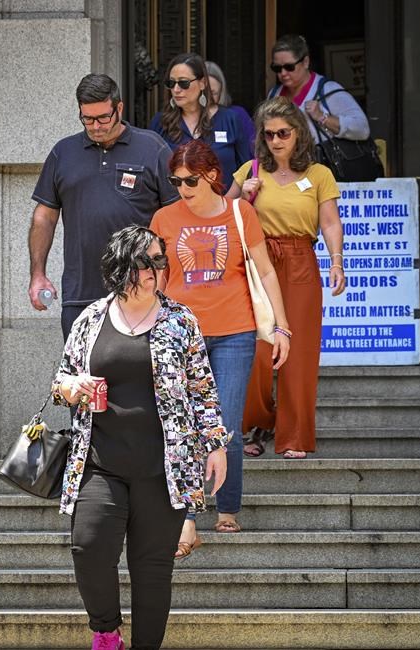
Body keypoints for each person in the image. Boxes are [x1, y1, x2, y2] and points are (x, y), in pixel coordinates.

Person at [51, 225, 229, 650]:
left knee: (152, 570)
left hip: (163, 469)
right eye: (144, 261)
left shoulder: (180, 321)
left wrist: (216, 444)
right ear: (121, 266)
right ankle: (106, 632)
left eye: (159, 260)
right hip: (99, 464)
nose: (154, 269)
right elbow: (61, 381)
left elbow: (202, 389)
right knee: (88, 547)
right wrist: (71, 388)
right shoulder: (91, 318)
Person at [150, 139, 290, 553]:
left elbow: (265, 271)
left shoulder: (240, 213)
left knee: (225, 424)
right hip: (180, 332)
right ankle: (187, 516)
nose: (182, 188)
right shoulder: (163, 218)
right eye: (175, 181)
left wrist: (282, 328)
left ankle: (227, 506)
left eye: (190, 180)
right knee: (183, 424)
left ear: (212, 175)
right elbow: (158, 279)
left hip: (234, 332)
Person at [226, 96, 346, 460]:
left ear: (298, 134)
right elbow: (220, 217)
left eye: (284, 133)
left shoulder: (318, 174)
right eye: (269, 134)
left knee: (300, 351)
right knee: (257, 351)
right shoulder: (250, 170)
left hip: (301, 260)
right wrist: (241, 200)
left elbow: (330, 222)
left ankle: (294, 435)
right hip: (259, 262)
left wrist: (337, 262)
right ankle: (257, 423)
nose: (276, 140)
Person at [29, 73, 179, 341]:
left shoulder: (152, 148)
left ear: (119, 108)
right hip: (80, 294)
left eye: (103, 118)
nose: (96, 126)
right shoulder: (63, 153)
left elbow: (176, 217)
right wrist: (37, 274)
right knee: (82, 368)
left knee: (139, 368)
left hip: (140, 290)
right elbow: (44, 218)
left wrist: (169, 281)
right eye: (87, 119)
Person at [149, 52, 252, 191]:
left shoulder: (231, 119)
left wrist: (225, 202)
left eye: (183, 83)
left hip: (224, 201)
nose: (176, 89)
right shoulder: (160, 122)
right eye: (171, 83)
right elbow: (151, 172)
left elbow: (245, 171)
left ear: (202, 83)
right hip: (175, 203)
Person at [268, 34, 370, 143]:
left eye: (289, 67)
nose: (283, 73)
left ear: (306, 62)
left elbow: (362, 129)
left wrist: (322, 117)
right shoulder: (274, 94)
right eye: (277, 68)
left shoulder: (328, 90)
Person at [205, 60, 255, 153]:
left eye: (213, 93)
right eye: (204, 92)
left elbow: (253, 150)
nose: (208, 97)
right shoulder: (186, 117)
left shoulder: (237, 114)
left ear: (221, 91)